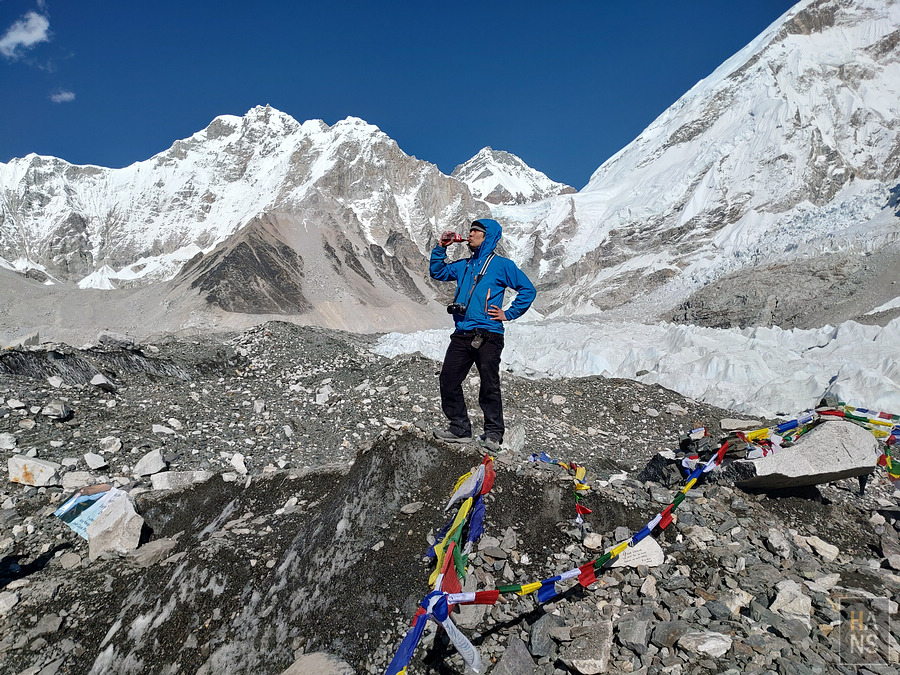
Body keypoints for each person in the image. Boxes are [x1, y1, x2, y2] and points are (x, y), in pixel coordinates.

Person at [430, 218, 536, 451]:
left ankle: (493, 433)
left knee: (489, 384)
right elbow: (437, 271)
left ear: (487, 236)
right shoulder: (464, 265)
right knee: (448, 379)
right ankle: (459, 428)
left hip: (489, 334)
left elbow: (528, 290)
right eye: (469, 231)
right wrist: (441, 247)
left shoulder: (502, 265)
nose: (470, 235)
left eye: (475, 232)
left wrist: (509, 313)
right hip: (462, 333)